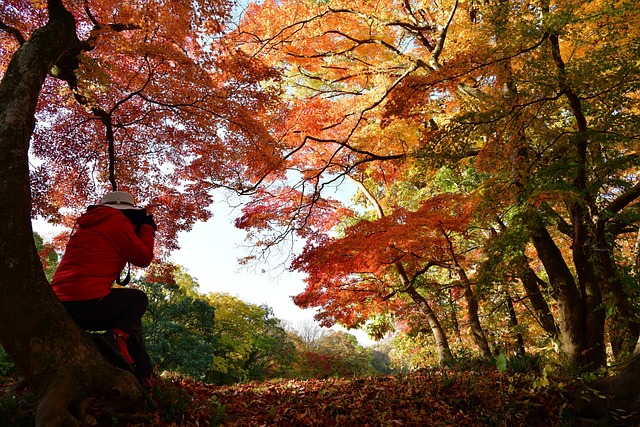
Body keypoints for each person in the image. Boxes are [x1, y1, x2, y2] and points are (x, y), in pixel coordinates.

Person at [51, 191, 157, 384]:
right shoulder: (116, 221)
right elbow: (143, 258)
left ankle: (142, 372)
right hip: (88, 303)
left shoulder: (85, 226)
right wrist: (147, 229)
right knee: (138, 299)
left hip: (59, 303)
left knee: (128, 325)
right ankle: (141, 374)